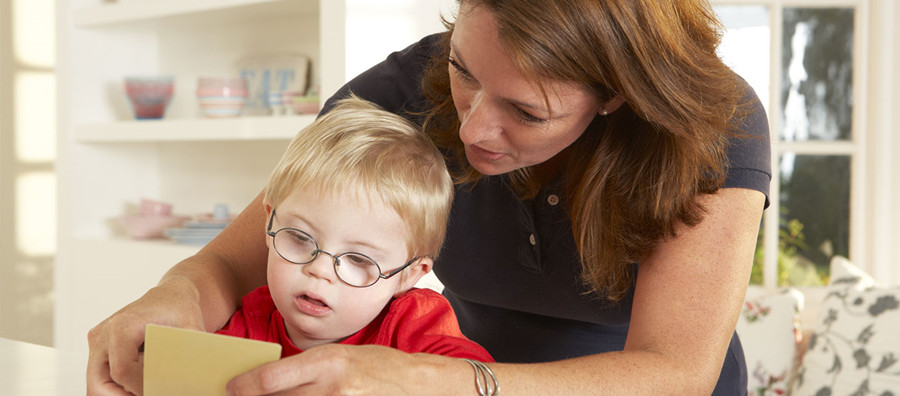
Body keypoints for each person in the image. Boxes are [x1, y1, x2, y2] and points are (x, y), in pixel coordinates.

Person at [87, 1, 771, 395]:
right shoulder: (400, 91)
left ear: (616, 97)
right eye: (463, 71)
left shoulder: (712, 127)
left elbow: (675, 371)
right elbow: (235, 260)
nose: (471, 127)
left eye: (526, 113)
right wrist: (169, 298)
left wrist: (440, 385)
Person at [212, 96, 492, 364]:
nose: (319, 270)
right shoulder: (250, 320)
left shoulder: (414, 324)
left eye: (358, 259)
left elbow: (475, 379)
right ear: (269, 221)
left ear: (407, 274)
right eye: (299, 238)